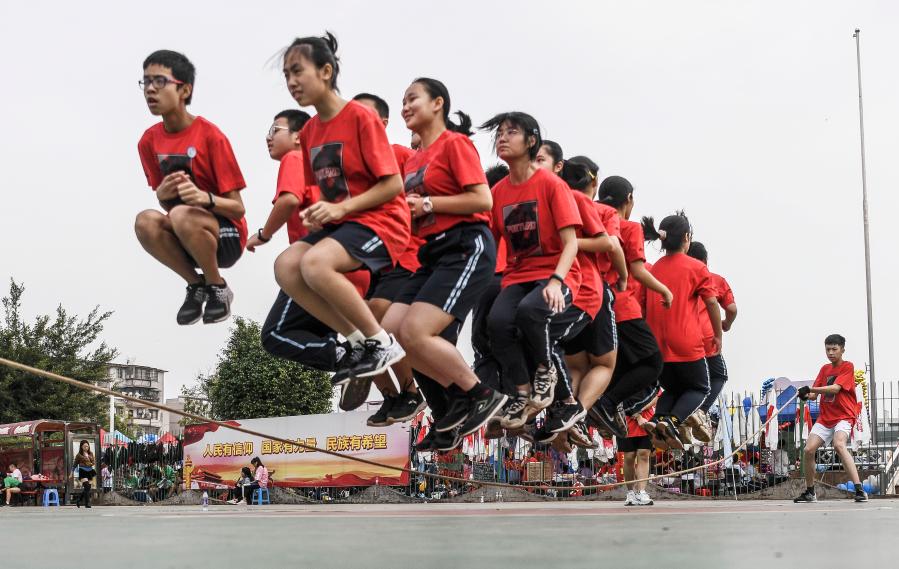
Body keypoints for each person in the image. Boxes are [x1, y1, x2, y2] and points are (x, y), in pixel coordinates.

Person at [275, 32, 409, 383]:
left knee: (315, 263)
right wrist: (317, 212)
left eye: (297, 71)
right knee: (286, 266)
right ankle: (356, 341)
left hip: (382, 222)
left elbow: (393, 185)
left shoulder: (360, 117)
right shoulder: (310, 132)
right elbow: (322, 191)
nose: (291, 82)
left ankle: (382, 343)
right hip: (344, 225)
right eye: (286, 75)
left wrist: (340, 209)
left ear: (326, 71)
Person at [374, 78, 504, 441]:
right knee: (390, 331)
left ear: (438, 104)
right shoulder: (415, 160)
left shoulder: (455, 144)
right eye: (402, 101)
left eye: (412, 98)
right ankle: (458, 395)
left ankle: (479, 392)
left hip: (465, 246)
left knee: (416, 331)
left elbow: (483, 200)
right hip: (431, 254)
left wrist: (428, 204)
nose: (405, 107)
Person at [481, 112, 586, 434]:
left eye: (511, 132)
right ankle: (522, 391)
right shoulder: (499, 192)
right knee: (497, 322)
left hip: (558, 273)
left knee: (530, 311)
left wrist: (556, 281)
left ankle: (545, 370)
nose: (502, 138)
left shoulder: (552, 184)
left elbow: (571, 243)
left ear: (531, 141)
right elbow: (491, 243)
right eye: (499, 133)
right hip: (517, 274)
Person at [135, 49, 247, 325]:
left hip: (226, 236)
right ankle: (196, 286)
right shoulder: (148, 142)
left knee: (181, 214)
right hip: (185, 232)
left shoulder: (211, 136)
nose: (150, 89)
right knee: (145, 221)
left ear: (184, 90)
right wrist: (162, 196)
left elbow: (238, 208)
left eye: (160, 81)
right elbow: (167, 204)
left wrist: (203, 198)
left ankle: (218, 287)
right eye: (146, 81)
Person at [348, 91, 424, 418]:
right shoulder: (349, 167)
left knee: (376, 317)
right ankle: (391, 396)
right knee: (354, 325)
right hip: (367, 259)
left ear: (383, 122)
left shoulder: (401, 155)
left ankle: (411, 391)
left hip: (405, 254)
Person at [590, 176, 669, 440]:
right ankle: (608, 404)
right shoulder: (629, 228)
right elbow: (637, 270)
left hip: (590, 304)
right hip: (622, 307)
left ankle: (599, 406)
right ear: (629, 199)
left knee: (615, 366)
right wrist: (664, 290)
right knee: (652, 364)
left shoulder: (589, 220)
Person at [641, 212, 721, 450]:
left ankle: (657, 420)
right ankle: (672, 422)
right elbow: (712, 303)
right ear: (686, 238)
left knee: (672, 389)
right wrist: (718, 334)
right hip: (686, 341)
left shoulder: (653, 270)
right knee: (701, 387)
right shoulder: (696, 267)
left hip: (657, 344)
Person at [794, 334, 867, 503]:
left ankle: (859, 490)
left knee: (839, 444)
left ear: (842, 350)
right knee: (808, 450)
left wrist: (811, 389)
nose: (831, 353)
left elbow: (835, 389)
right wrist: (805, 394)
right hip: (825, 418)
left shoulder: (847, 366)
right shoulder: (824, 369)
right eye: (828, 349)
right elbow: (813, 395)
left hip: (843, 416)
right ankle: (810, 492)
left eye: (834, 349)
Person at [686, 241, 738, 442]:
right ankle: (701, 411)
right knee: (719, 376)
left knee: (686, 381)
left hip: (681, 338)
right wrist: (726, 324)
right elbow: (732, 309)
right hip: (707, 339)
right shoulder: (715, 279)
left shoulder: (680, 280)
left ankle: (676, 418)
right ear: (706, 260)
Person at [621, 395, 658, 506]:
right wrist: (637, 416)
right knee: (629, 456)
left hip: (647, 421)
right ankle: (630, 492)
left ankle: (641, 492)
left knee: (644, 454)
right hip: (625, 422)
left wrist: (639, 410)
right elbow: (621, 399)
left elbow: (656, 396)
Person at [73, 440, 96, 508]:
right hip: (82, 471)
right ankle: (87, 503)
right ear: (81, 447)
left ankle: (79, 500)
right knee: (87, 486)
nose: (86, 447)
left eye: (87, 446)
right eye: (85, 446)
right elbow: (75, 464)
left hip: (90, 471)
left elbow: (93, 462)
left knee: (87, 488)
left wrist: (88, 457)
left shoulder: (90, 453)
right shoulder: (79, 455)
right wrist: (71, 473)